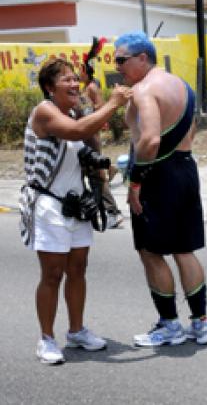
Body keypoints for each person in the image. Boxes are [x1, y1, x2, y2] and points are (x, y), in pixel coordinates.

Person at [19, 58, 131, 364]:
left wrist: (94, 106)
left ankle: (77, 330)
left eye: (74, 80)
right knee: (52, 274)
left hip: (75, 203)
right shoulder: (45, 112)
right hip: (49, 205)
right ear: (48, 87)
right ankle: (46, 339)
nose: (74, 84)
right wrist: (113, 103)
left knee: (78, 269)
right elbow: (77, 131)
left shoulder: (71, 113)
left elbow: (90, 142)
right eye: (66, 80)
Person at [114, 32, 207, 347]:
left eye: (121, 60)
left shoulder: (145, 89)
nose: (117, 67)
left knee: (151, 251)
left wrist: (135, 182)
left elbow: (151, 139)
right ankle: (201, 324)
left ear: (143, 57)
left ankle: (169, 325)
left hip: (157, 174)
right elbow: (191, 127)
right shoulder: (180, 85)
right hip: (184, 167)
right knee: (184, 249)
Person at [77, 36, 124, 229]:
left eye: (79, 71)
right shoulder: (85, 87)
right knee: (91, 176)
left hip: (91, 138)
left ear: (86, 72)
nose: (77, 74)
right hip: (85, 138)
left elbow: (101, 108)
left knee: (97, 177)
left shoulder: (91, 88)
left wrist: (90, 114)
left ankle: (112, 212)